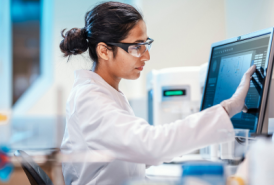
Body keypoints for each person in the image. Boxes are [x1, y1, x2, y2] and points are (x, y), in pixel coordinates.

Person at [60, 2, 256, 185]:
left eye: (146, 44)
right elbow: (151, 145)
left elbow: (134, 153)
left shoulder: (106, 93)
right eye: (136, 47)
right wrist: (228, 107)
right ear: (104, 51)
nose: (146, 55)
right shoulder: (90, 98)